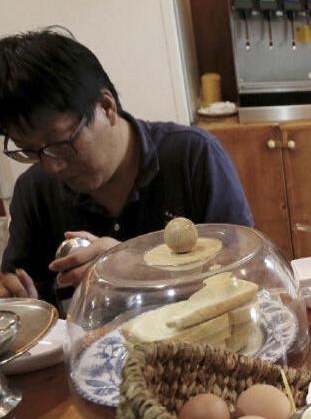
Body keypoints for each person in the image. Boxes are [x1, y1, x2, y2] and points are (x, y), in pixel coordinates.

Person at [0, 28, 253, 303]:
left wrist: (139, 268)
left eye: (60, 145)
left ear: (106, 106)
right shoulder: (34, 190)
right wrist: (22, 299)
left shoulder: (193, 155)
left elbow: (245, 270)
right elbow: (25, 290)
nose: (50, 166)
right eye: (30, 151)